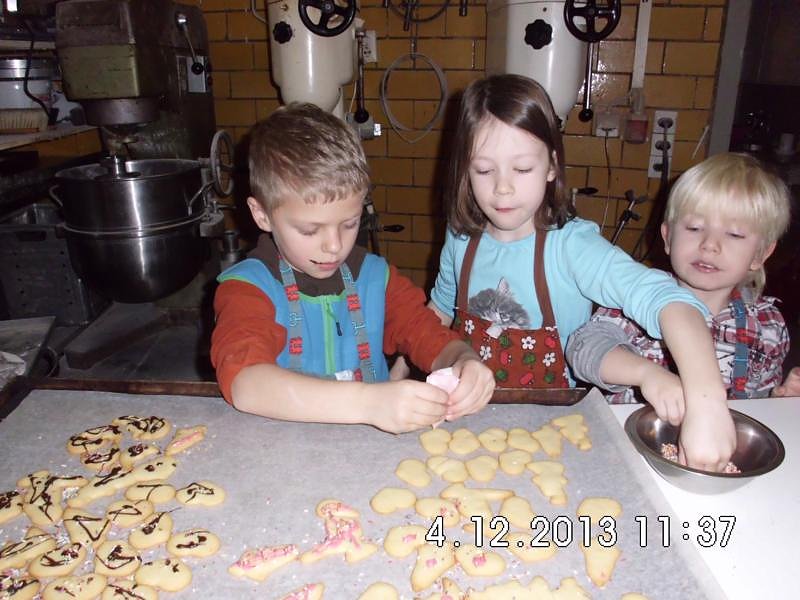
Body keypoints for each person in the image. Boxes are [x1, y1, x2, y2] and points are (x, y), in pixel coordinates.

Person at [427, 74, 734, 471]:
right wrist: (400, 376)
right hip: (466, 422)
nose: (502, 189)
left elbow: (667, 298)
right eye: (484, 171)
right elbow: (435, 315)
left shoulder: (571, 248)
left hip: (551, 434)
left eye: (521, 169)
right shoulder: (460, 239)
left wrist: (708, 402)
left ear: (551, 166)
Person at [210, 103, 494, 434]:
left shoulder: (376, 278)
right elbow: (246, 384)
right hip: (283, 456)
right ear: (262, 216)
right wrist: (369, 403)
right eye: (309, 230)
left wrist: (464, 361)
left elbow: (429, 335)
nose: (334, 245)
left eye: (349, 224)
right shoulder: (247, 288)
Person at [567, 153, 800, 418]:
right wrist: (646, 373)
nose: (710, 245)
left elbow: (755, 404)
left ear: (760, 254)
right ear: (667, 237)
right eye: (694, 228)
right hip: (626, 441)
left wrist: (780, 400)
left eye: (734, 234)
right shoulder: (639, 297)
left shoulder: (769, 324)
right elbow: (582, 349)